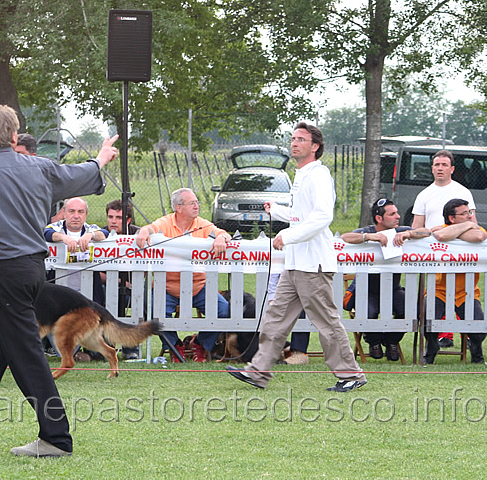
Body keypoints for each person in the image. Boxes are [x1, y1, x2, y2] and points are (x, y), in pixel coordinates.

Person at [0, 105, 118, 457]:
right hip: (31, 272)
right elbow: (80, 176)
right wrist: (102, 158)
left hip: (4, 275)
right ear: (14, 136)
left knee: (27, 356)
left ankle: (56, 438)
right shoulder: (41, 167)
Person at [226, 122, 367, 392]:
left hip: (313, 264)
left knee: (327, 323)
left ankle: (351, 375)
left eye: (301, 139)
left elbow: (322, 217)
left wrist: (287, 237)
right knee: (275, 318)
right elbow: (301, 215)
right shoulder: (302, 175)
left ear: (315, 147)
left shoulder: (319, 174)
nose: (294, 143)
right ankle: (258, 371)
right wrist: (277, 211)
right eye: (293, 138)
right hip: (295, 264)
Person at [135, 187, 231, 362]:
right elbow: (151, 228)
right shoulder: (165, 222)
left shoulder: (202, 223)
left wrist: (221, 238)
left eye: (197, 202)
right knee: (154, 310)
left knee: (223, 310)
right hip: (166, 287)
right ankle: (173, 345)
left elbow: (223, 233)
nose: (197, 206)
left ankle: (200, 344)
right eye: (192, 203)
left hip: (198, 286)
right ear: (178, 208)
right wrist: (143, 231)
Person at [341, 198, 431, 361]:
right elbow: (345, 237)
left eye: (397, 213)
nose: (398, 216)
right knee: (368, 312)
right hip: (367, 290)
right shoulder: (366, 230)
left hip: (393, 289)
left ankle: (391, 341)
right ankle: (373, 341)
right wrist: (369, 237)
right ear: (379, 219)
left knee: (411, 309)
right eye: (392, 214)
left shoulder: (400, 230)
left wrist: (408, 233)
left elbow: (426, 232)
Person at [411, 149, 477, 348]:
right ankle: (441, 337)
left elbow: (472, 223)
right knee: (434, 295)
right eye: (437, 165)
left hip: (460, 256)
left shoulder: (463, 192)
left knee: (462, 295)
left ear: (452, 169)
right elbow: (417, 226)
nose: (440, 168)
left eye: (444, 165)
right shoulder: (424, 195)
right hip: (434, 255)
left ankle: (468, 336)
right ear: (432, 168)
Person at [423, 198, 487, 364]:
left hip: (467, 292)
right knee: (428, 325)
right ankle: (431, 348)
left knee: (480, 330)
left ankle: (475, 350)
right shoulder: (443, 229)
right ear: (452, 218)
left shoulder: (476, 229)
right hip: (438, 290)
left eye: (470, 213)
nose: (469, 216)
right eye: (464, 213)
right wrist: (468, 225)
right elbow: (442, 235)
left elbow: (479, 236)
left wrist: (463, 228)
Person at [44, 197, 106, 306]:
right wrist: (63, 237)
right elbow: (46, 232)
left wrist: (91, 235)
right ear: (64, 213)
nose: (76, 216)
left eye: (80, 212)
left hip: (89, 293)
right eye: (71, 211)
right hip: (59, 292)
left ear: (86, 214)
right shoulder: (56, 227)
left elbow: (105, 233)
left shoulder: (91, 228)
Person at [99, 199, 140, 360]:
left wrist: (133, 283)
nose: (113, 221)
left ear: (128, 220)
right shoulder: (100, 235)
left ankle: (131, 347)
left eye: (118, 217)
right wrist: (120, 282)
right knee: (101, 298)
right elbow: (95, 271)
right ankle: (103, 346)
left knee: (139, 302)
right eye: (110, 217)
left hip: (133, 284)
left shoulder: (138, 233)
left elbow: (148, 261)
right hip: (106, 284)